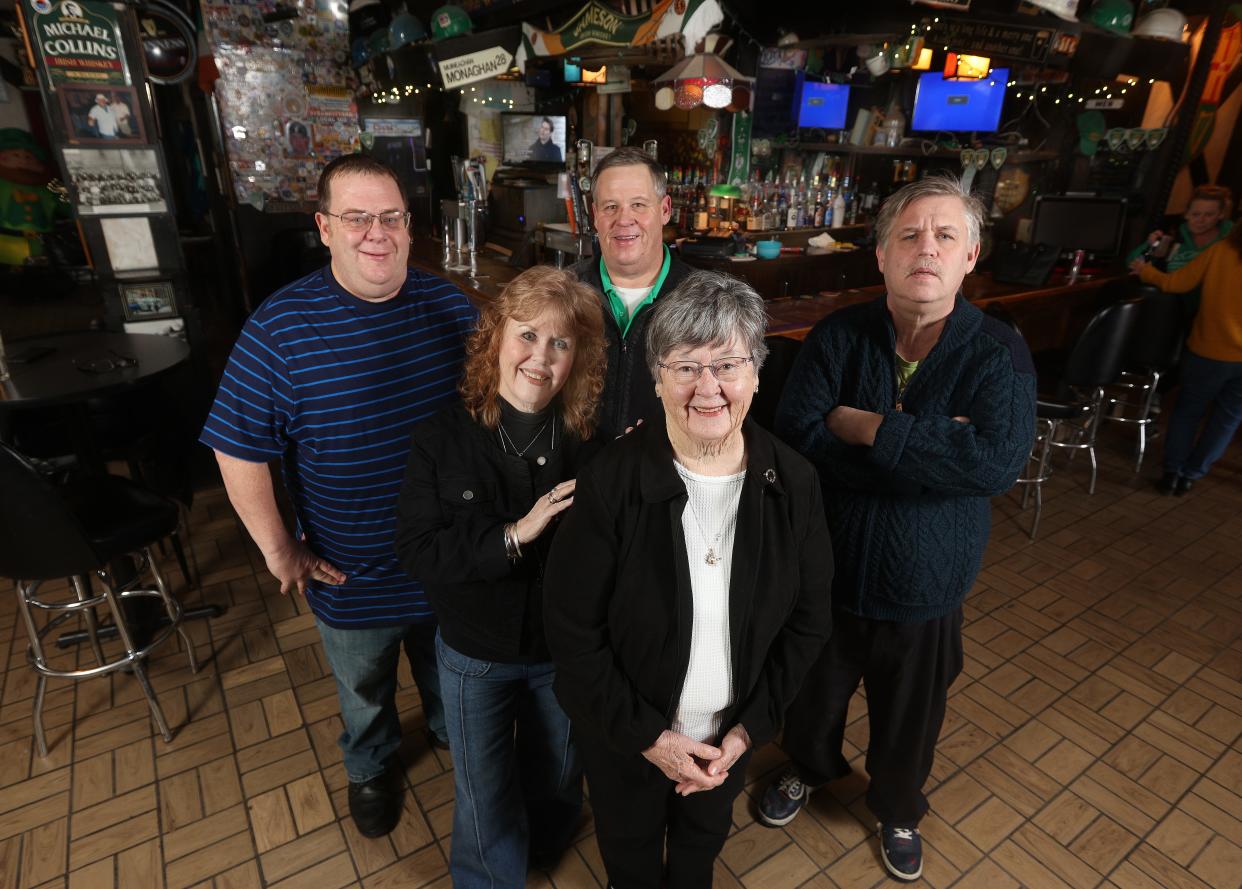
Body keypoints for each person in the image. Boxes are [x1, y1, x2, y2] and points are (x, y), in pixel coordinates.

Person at [759, 175, 1036, 882]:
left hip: (927, 583)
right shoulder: (839, 333)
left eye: (946, 235)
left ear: (970, 255)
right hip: (829, 570)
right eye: (909, 234)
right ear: (880, 255)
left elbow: (995, 465)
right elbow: (795, 435)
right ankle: (809, 770)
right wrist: (932, 449)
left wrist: (863, 426)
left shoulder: (997, 351)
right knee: (810, 701)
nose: (926, 248)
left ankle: (896, 806)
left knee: (910, 719)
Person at [200, 154, 476, 839]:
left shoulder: (453, 310)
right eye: (356, 217)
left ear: (411, 228)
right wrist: (277, 549)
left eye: (390, 217)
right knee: (364, 693)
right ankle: (372, 765)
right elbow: (237, 446)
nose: (375, 233)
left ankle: (450, 732)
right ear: (325, 228)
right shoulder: (278, 330)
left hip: (446, 562)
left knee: (451, 672)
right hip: (351, 574)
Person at [544, 270, 834, 888]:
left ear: (757, 373)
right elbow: (571, 631)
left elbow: (809, 623)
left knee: (701, 848)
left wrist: (747, 731)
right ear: (657, 379)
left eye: (728, 364)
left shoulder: (795, 483)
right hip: (626, 736)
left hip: (728, 739)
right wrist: (650, 736)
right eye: (685, 367)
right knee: (629, 851)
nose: (709, 388)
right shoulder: (611, 482)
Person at [394, 266, 606, 885]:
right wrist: (515, 534)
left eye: (561, 343)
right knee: (483, 791)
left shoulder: (589, 446)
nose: (541, 357)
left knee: (560, 771)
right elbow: (418, 551)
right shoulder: (440, 439)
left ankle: (547, 842)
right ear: (495, 339)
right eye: (528, 336)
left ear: (577, 360)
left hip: (560, 653)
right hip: (472, 655)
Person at [573, 146, 694, 439]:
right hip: (572, 477)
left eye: (638, 204)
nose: (624, 219)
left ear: (665, 210)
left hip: (662, 475)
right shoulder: (563, 291)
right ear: (595, 215)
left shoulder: (705, 299)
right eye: (610, 206)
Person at [1130, 223, 1242, 495]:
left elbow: (1177, 283)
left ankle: (1172, 473)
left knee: (1188, 412)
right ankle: (1191, 475)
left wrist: (1146, 271)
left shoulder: (1222, 250)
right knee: (1227, 420)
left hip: (1209, 351)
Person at [1126, 185, 1233, 271]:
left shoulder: (1232, 239)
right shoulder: (1173, 236)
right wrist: (1151, 247)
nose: (1201, 220)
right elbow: (1131, 265)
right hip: (1173, 294)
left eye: (1209, 215)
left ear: (1221, 215)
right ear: (1186, 214)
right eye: (1195, 214)